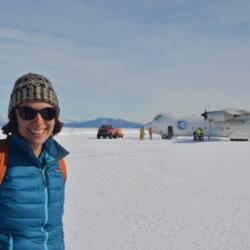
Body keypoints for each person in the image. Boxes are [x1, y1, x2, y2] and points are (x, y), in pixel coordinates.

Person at [0, 73, 69, 250]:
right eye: (27, 112)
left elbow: (54, 230)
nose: (39, 121)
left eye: (47, 112)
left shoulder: (57, 163)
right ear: (15, 116)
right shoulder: (2, 158)